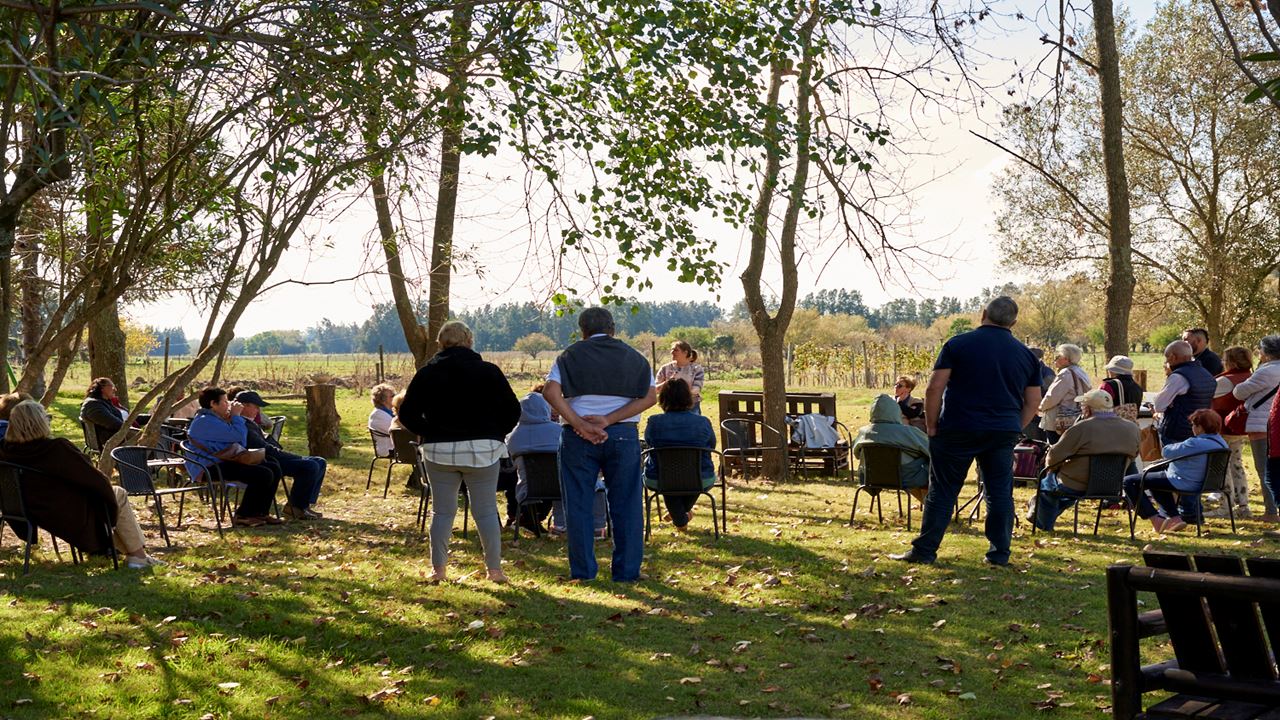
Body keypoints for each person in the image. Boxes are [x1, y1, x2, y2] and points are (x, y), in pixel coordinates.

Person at [890, 296, 1042, 566]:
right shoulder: (1026, 356)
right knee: (999, 492)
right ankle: (999, 554)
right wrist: (1014, 426)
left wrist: (932, 423)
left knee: (944, 489)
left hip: (958, 426)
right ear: (1014, 322)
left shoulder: (958, 344)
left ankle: (925, 551)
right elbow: (1033, 402)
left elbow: (934, 387)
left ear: (983, 313)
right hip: (1001, 430)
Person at [398, 321, 520, 583]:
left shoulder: (426, 373)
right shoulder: (489, 371)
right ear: (469, 340)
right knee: (486, 510)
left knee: (442, 511)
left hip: (439, 450)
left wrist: (427, 432)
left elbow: (406, 413)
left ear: (440, 343)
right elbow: (513, 410)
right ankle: (494, 570)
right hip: (482, 450)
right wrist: (495, 433)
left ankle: (438, 569)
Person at [543, 306, 657, 582]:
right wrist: (608, 419)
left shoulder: (569, 355)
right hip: (622, 434)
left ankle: (583, 572)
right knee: (627, 504)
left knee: (578, 504)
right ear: (613, 329)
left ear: (583, 331)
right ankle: (627, 571)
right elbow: (650, 397)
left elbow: (550, 392)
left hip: (577, 437)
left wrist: (579, 423)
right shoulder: (635, 357)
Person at [0, 400, 162, 568]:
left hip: (28, 509)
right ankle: (137, 556)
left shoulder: (5, 450)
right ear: (40, 423)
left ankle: (135, 554)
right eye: (47, 418)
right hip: (64, 512)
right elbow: (93, 478)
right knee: (117, 493)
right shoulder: (55, 448)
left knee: (108, 495)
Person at [1028, 390, 1140, 531]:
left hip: (1076, 484)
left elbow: (1053, 457)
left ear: (1087, 410)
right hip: (1113, 485)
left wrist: (1054, 468)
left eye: (1082, 406)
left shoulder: (1081, 428)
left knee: (1049, 483)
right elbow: (1134, 455)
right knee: (1057, 490)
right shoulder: (1132, 428)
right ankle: (1040, 510)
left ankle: (1043, 522)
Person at [184, 387, 283, 528]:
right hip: (208, 467)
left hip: (222, 461)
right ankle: (243, 515)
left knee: (272, 465)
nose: (229, 404)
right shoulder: (204, 421)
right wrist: (236, 416)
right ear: (213, 404)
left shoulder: (216, 419)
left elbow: (239, 441)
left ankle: (260, 512)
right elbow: (239, 437)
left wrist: (231, 419)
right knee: (263, 473)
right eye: (224, 402)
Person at [1123, 409, 1228, 533]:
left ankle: (1156, 519)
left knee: (1128, 481)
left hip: (1185, 482)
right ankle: (1174, 518)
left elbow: (1166, 451)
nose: (1192, 428)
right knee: (1154, 480)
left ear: (1200, 427)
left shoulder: (1194, 443)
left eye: (1194, 425)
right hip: (1209, 483)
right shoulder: (1221, 443)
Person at [234, 390, 327, 520]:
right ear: (244, 406)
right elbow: (264, 448)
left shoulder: (251, 422)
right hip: (267, 460)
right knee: (310, 465)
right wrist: (294, 457)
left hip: (272, 456)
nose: (258, 410)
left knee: (320, 461)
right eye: (255, 406)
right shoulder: (242, 423)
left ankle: (304, 505)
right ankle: (296, 507)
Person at [644, 378, 717, 530]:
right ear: (688, 398)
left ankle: (679, 516)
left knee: (671, 481)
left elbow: (649, 442)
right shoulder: (703, 422)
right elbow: (711, 446)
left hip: (659, 478)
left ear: (663, 398)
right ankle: (680, 517)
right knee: (688, 479)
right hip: (700, 478)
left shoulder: (654, 422)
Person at [1233, 335, 1280, 522]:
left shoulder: (1265, 371)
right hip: (1274, 425)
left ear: (1266, 353)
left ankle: (1271, 511)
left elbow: (1239, 392)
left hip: (1262, 425)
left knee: (1264, 469)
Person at [852, 394, 929, 502]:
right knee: (933, 469)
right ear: (896, 412)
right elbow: (932, 451)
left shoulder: (863, 432)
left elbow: (856, 454)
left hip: (871, 478)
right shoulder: (908, 432)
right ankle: (934, 508)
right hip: (906, 478)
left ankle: (931, 507)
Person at [505, 390, 562, 533]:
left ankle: (522, 517)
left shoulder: (513, 436)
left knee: (515, 475)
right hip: (561, 487)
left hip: (527, 489)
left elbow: (510, 464)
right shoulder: (560, 431)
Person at [1209, 347, 1252, 517]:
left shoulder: (1225, 381)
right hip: (1240, 428)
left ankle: (1227, 506)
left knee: (1222, 467)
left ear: (1231, 362)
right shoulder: (1250, 377)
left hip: (1223, 428)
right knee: (1237, 464)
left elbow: (1207, 397)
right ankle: (1243, 505)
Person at [1154, 340, 1216, 446]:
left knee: (1173, 462)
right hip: (1199, 430)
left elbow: (1159, 405)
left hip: (1177, 432)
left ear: (1173, 357)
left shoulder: (1178, 377)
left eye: (1167, 357)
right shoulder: (1206, 374)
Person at [1038, 344, 1092, 443]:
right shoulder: (1081, 372)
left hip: (1059, 420)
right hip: (1077, 416)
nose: (1055, 359)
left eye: (1058, 356)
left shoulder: (1065, 373)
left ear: (1066, 359)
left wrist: (1041, 407)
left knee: (1055, 450)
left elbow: (1052, 397)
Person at [79, 377, 136, 448]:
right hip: (114, 442)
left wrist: (150, 418)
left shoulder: (104, 402)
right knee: (150, 436)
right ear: (102, 388)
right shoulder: (93, 405)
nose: (115, 389)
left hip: (122, 435)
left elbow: (127, 417)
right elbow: (115, 424)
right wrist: (137, 431)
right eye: (112, 386)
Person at [656, 341, 706, 414]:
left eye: (675, 350)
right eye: (671, 350)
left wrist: (674, 388)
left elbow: (696, 390)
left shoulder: (696, 369)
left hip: (691, 407)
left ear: (685, 352)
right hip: (670, 407)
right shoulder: (665, 368)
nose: (672, 352)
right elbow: (656, 389)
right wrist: (668, 382)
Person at [1024, 348, 1056, 441]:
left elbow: (1050, 393)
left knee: (1036, 443)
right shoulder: (1031, 370)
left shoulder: (1047, 372)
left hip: (1039, 412)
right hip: (1032, 413)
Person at [1099, 355, 1144, 420]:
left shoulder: (1108, 385)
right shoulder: (1138, 388)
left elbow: (1099, 409)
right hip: (1132, 427)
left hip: (1112, 426)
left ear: (1113, 370)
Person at [368, 383, 396, 457]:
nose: (396, 397)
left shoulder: (388, 412)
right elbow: (398, 431)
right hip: (388, 449)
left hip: (395, 447)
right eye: (392, 396)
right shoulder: (378, 415)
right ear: (382, 401)